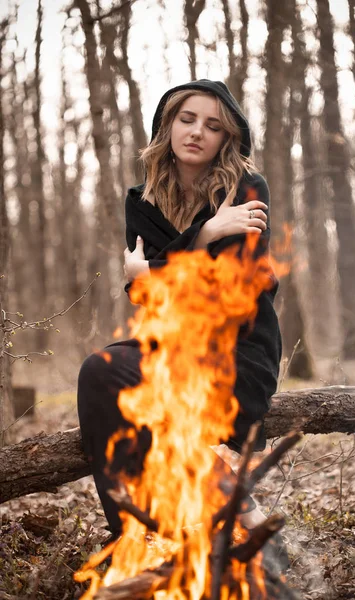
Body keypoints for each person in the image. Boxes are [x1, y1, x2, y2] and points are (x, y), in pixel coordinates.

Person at [77, 80, 282, 550]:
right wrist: (207, 234)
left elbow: (225, 290)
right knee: (99, 371)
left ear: (227, 138)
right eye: (186, 119)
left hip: (237, 351)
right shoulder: (141, 200)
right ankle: (133, 530)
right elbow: (145, 295)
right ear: (168, 125)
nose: (196, 132)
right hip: (174, 344)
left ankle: (229, 505)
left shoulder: (247, 189)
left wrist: (153, 267)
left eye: (212, 126)